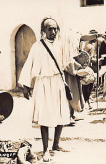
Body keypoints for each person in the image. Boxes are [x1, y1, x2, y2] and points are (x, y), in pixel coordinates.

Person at [18, 17, 73, 162]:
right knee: (44, 116)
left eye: (55, 29)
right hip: (43, 84)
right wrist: (26, 86)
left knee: (61, 112)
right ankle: (45, 150)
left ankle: (56, 144)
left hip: (58, 82)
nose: (53, 32)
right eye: (50, 29)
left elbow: (69, 61)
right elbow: (28, 65)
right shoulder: (37, 46)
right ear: (43, 30)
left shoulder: (61, 45)